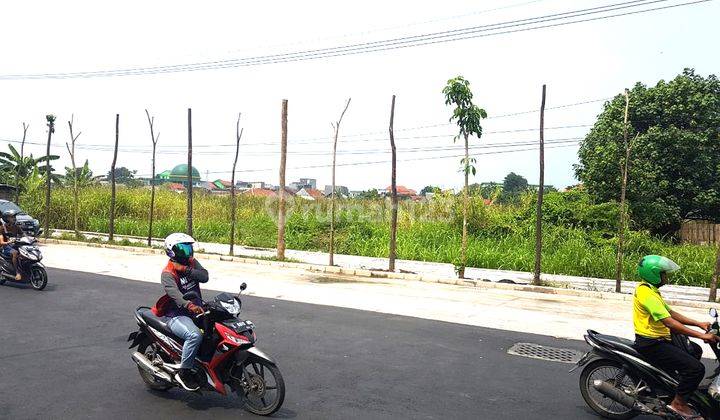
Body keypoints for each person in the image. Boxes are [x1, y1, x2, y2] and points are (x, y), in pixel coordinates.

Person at [633, 255, 718, 419]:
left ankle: (675, 388)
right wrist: (701, 335)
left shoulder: (650, 289)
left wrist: (699, 323)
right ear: (654, 274)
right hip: (651, 343)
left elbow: (670, 313)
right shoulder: (647, 294)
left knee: (695, 350)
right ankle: (678, 403)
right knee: (696, 369)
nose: (666, 277)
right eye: (664, 273)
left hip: (660, 338)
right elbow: (670, 322)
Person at [153, 232, 209, 391]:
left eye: (189, 249)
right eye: (183, 249)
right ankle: (184, 373)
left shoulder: (191, 263)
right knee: (194, 335)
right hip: (176, 315)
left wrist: (185, 269)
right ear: (172, 251)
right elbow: (176, 296)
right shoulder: (167, 273)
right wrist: (190, 306)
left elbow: (204, 276)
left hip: (198, 310)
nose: (188, 253)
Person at [0, 209, 23, 281]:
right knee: (15, 253)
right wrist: (9, 242)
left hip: (15, 245)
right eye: (12, 217)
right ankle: (17, 272)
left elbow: (23, 234)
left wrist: (32, 238)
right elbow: (1, 242)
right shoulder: (2, 228)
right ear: (7, 218)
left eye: (14, 217)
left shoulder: (16, 227)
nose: (14, 218)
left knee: (25, 253)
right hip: (6, 247)